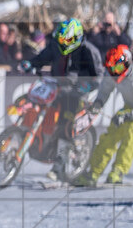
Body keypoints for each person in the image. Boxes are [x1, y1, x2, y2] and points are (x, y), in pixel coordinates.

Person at [19, 18, 104, 179]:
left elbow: (98, 75)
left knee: (66, 122)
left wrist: (87, 86)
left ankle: (59, 165)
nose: (63, 43)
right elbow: (42, 57)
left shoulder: (89, 51)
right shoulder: (56, 45)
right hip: (57, 85)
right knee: (34, 104)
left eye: (67, 40)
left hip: (77, 91)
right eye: (61, 39)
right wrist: (30, 64)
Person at [74, 44, 133, 186]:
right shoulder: (113, 72)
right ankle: (93, 172)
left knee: (132, 131)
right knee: (112, 133)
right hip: (130, 105)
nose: (115, 72)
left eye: (118, 68)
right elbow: (104, 91)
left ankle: (118, 171)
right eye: (111, 69)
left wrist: (129, 116)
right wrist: (98, 104)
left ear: (126, 62)